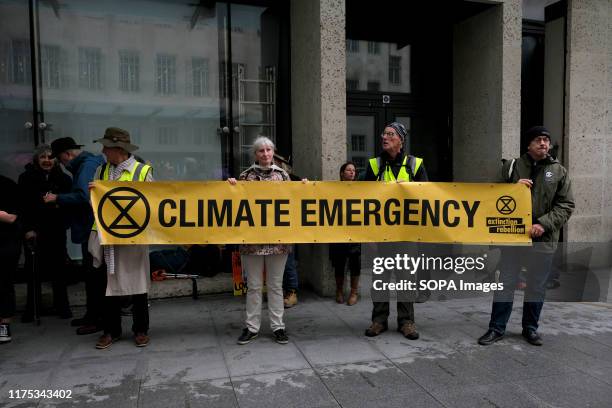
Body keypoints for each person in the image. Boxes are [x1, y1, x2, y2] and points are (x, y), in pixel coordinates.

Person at [478, 126, 574, 346]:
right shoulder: (511, 167)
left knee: (536, 286)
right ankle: (496, 328)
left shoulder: (559, 171)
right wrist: (513, 187)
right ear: (529, 144)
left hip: (543, 240)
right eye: (539, 140)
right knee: (506, 283)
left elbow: (566, 205)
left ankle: (530, 329)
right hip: (513, 240)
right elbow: (491, 195)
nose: (544, 144)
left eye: (546, 140)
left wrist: (543, 223)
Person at [228, 137, 300, 345]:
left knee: (276, 286)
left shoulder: (283, 175)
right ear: (255, 154)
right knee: (254, 286)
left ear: (273, 152)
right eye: (261, 151)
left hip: (278, 241)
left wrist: (305, 188)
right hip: (252, 242)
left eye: (269, 150)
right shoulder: (245, 176)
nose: (266, 154)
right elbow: (234, 202)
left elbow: (295, 199)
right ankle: (252, 327)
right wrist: (231, 186)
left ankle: (278, 326)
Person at [88, 127, 153, 349]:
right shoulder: (100, 171)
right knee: (109, 285)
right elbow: (95, 205)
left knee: (138, 283)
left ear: (119, 149)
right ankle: (111, 330)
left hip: (133, 235)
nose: (103, 150)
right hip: (107, 234)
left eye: (107, 147)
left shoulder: (143, 171)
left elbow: (152, 202)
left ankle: (141, 329)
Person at [363, 122, 428, 340]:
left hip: (407, 235)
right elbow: (362, 199)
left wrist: (410, 188)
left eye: (391, 134)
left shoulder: (415, 165)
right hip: (381, 235)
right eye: (384, 133)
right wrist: (369, 235)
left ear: (401, 140)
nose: (385, 137)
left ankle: (406, 321)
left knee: (406, 278)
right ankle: (378, 321)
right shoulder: (374, 165)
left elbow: (428, 197)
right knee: (380, 278)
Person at [45, 137, 106, 335]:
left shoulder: (86, 166)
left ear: (67, 155)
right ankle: (92, 315)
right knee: (93, 276)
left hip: (91, 229)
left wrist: (57, 198)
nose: (61, 164)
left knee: (94, 276)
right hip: (92, 228)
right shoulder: (88, 163)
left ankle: (96, 319)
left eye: (60, 160)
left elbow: (83, 196)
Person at [18, 144, 72, 322]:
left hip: (56, 230)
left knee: (59, 270)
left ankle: (62, 306)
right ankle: (32, 309)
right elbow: (23, 207)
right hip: (35, 231)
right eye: (43, 157)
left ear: (55, 159)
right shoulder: (26, 178)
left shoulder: (64, 179)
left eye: (50, 157)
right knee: (33, 271)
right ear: (36, 159)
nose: (47, 160)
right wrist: (27, 229)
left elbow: (68, 204)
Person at [330, 162, 361, 305]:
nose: (352, 172)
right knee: (339, 263)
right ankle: (339, 291)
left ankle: (354, 292)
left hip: (354, 232)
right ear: (342, 173)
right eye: (348, 170)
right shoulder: (333, 189)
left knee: (355, 262)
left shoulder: (360, 189)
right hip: (337, 232)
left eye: (354, 170)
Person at [273, 153, 301, 309]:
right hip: (272, 225)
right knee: (276, 262)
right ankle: (281, 291)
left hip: (289, 225)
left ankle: (292, 292)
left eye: (277, 160)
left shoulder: (294, 179)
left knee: (288, 261)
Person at [0, 175, 21, 343]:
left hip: (5, 243)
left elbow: (10, 217)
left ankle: (4, 324)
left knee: (4, 284)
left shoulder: (6, 184)